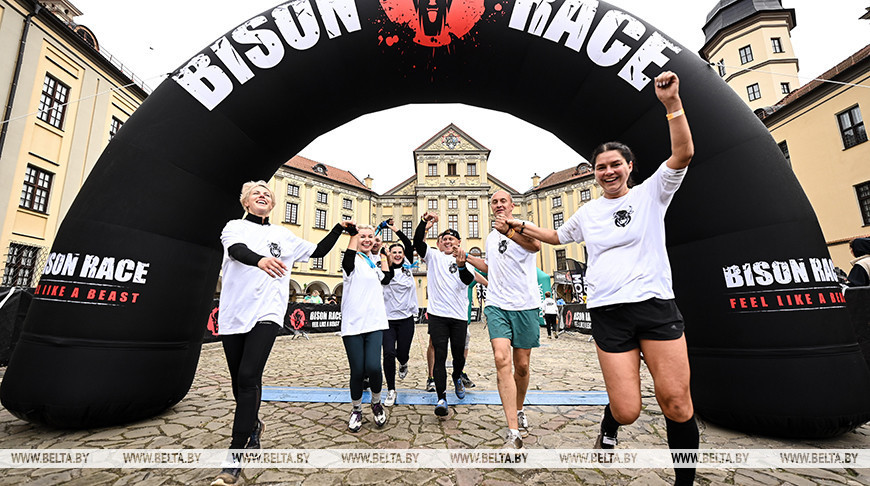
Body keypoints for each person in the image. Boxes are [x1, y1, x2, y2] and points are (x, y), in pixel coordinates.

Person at [512, 71, 698, 485]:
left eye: (616, 164)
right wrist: (517, 224)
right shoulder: (588, 213)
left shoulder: (651, 194)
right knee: (628, 407)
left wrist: (672, 105)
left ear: (629, 167)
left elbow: (683, 153)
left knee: (677, 402)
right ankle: (610, 426)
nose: (609, 171)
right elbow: (557, 236)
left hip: (654, 306)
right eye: (601, 167)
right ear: (594, 173)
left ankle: (684, 481)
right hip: (609, 313)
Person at [212, 181, 349, 486]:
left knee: (249, 376)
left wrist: (339, 228)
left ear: (272, 205)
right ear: (246, 202)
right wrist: (259, 260)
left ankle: (236, 452)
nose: (263, 195)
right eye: (256, 193)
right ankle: (253, 426)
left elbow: (319, 250)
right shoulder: (233, 227)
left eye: (267, 194)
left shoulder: (282, 236)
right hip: (234, 314)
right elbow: (236, 251)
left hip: (267, 313)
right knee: (240, 382)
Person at [466, 191, 542, 449]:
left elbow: (535, 246)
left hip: (525, 305)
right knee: (501, 359)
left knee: (521, 365)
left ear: (512, 205)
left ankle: (519, 408)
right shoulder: (489, 236)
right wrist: (467, 258)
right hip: (497, 304)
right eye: (494, 202)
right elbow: (491, 266)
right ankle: (513, 431)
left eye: (502, 201)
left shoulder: (525, 226)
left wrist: (509, 232)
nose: (498, 205)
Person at [414, 211, 476, 416]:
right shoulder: (433, 256)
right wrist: (425, 222)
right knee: (440, 355)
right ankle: (441, 398)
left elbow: (467, 281)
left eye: (451, 239)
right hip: (438, 315)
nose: (448, 241)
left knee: (458, 355)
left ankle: (457, 376)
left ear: (459, 242)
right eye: (444, 239)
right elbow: (417, 242)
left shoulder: (466, 260)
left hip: (459, 316)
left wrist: (460, 265)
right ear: (439, 244)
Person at [341, 224, 389, 432]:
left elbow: (386, 278)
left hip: (374, 322)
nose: (367, 239)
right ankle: (357, 409)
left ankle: (376, 403)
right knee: (358, 370)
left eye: (370, 236)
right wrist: (353, 236)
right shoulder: (351, 261)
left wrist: (384, 254)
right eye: (363, 236)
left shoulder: (373, 263)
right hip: (353, 324)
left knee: (374, 367)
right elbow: (348, 260)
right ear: (355, 239)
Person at [379, 222, 418, 406]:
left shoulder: (408, 266)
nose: (397, 254)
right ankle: (391, 390)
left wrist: (393, 228)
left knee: (402, 353)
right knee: (388, 353)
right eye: (393, 252)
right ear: (389, 255)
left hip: (406, 320)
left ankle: (404, 362)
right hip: (387, 319)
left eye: (399, 252)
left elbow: (408, 244)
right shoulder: (383, 268)